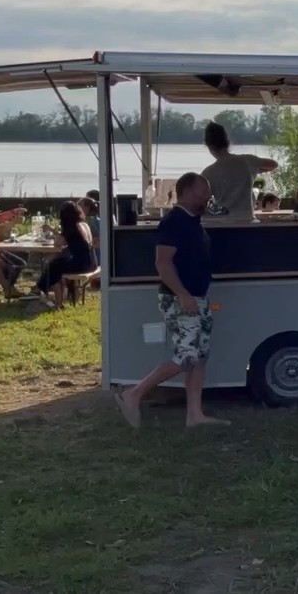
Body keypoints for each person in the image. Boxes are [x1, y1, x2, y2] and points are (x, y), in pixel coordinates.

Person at [113, 172, 226, 428]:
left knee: (199, 357)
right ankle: (133, 394)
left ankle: (194, 415)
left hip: (198, 297)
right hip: (178, 298)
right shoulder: (174, 222)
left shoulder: (194, 221)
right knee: (186, 356)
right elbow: (162, 263)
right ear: (186, 192)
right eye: (203, 192)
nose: (207, 197)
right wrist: (183, 295)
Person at [201, 122, 278, 219]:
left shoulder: (208, 173)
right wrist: (255, 170)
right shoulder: (248, 161)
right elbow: (273, 164)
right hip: (247, 220)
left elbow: (201, 201)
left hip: (222, 223)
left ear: (209, 145)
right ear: (228, 141)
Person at [34, 200, 98, 307]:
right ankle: (42, 288)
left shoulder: (71, 227)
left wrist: (54, 231)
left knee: (53, 267)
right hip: (92, 262)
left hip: (82, 265)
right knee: (56, 264)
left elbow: (57, 243)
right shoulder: (83, 224)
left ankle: (54, 300)